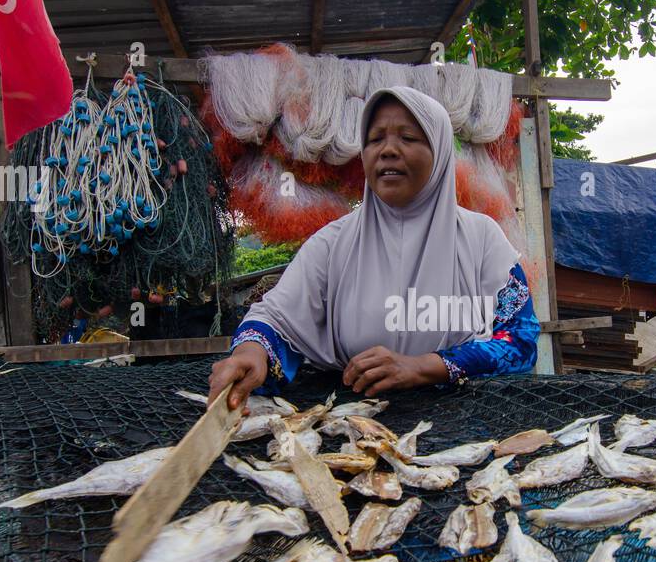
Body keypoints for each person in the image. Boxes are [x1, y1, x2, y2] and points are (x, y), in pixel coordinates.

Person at [207, 85, 539, 411]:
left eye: (408, 138)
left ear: (439, 152)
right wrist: (251, 353)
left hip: (460, 424)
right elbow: (276, 321)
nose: (388, 150)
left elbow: (520, 341)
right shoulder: (332, 243)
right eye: (375, 139)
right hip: (352, 421)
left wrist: (424, 366)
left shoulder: (481, 239)